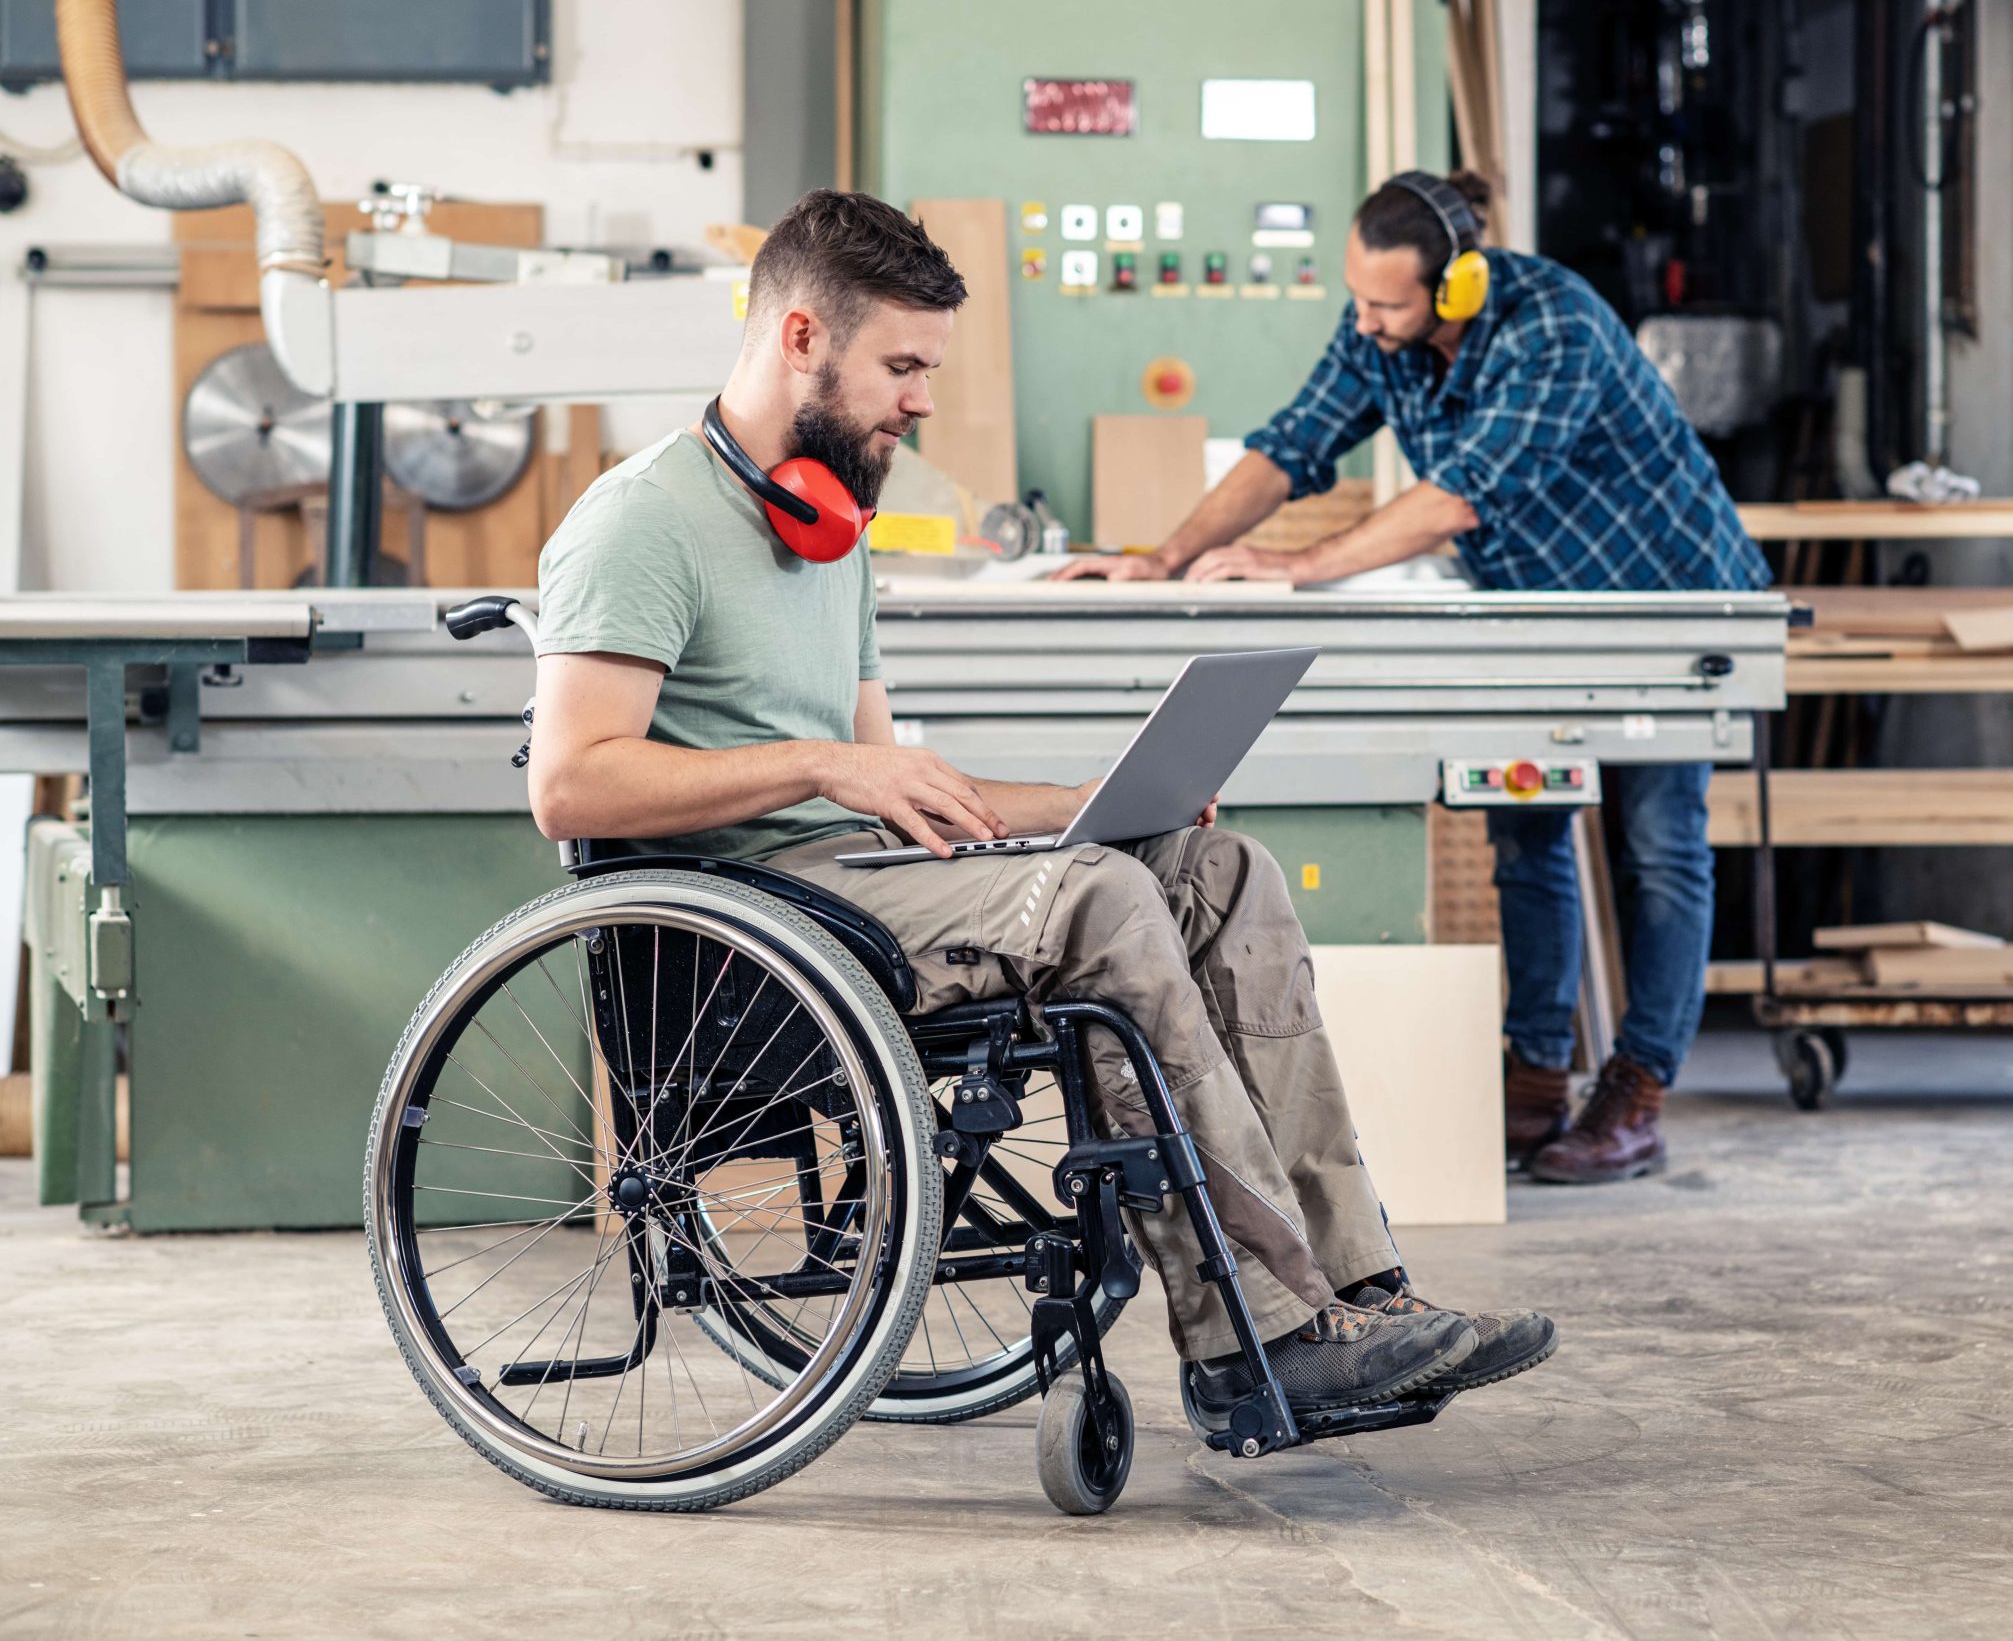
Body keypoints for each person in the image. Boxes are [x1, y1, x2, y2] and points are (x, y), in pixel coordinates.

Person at [528, 189, 1556, 1435]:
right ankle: (1257, 1339)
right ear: (800, 337)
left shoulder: (828, 530)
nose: (919, 399)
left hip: (862, 880)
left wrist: (1086, 803)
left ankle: (1359, 1292)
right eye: (900, 366)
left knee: (1215, 869)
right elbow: (572, 782)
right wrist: (820, 768)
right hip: (751, 923)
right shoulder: (641, 520)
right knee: (1105, 900)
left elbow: (893, 781)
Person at [1055, 170, 1771, 1185]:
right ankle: (1534, 1080)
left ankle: (1637, 1092)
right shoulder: (1379, 332)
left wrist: (1296, 565)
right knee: (1524, 836)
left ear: (1459, 287)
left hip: (1660, 601)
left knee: (1659, 846)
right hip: (1533, 614)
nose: (1366, 320)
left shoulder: (1549, 325)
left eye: (1387, 303)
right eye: (1358, 297)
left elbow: (1456, 498)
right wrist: (1163, 557)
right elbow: (1290, 445)